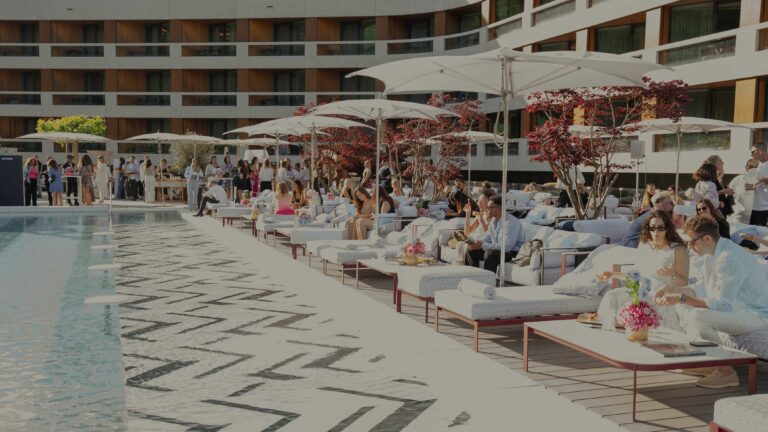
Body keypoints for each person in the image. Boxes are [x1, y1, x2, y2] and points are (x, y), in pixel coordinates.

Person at [656, 215, 768, 388]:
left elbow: (722, 305)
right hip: (738, 312)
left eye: (691, 243)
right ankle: (707, 363)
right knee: (687, 309)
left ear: (707, 238)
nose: (690, 248)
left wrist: (682, 298)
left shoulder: (729, 258)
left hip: (755, 316)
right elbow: (701, 288)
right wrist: (672, 289)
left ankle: (726, 372)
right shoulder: (712, 253)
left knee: (698, 316)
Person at [597, 210, 690, 329]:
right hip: (641, 292)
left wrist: (672, 274)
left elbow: (684, 282)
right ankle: (609, 330)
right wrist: (612, 274)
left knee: (654, 306)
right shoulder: (644, 245)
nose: (656, 232)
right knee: (612, 296)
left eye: (660, 228)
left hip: (662, 294)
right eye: (652, 228)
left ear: (667, 228)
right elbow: (637, 275)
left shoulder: (677, 250)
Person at [464, 195, 524, 274]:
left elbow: (505, 248)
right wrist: (476, 243)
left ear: (498, 209)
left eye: (489, 207)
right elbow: (487, 238)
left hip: (512, 253)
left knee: (490, 254)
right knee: (471, 250)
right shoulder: (494, 220)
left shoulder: (511, 223)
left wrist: (482, 245)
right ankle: (473, 276)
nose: (486, 210)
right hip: (497, 249)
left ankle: (489, 280)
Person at [728, 158, 759, 224]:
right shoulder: (763, 180)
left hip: (740, 216)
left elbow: (728, 195)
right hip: (758, 216)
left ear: (747, 167)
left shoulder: (737, 179)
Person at [747, 142, 768, 226]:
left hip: (765, 208)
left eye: (752, 152)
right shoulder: (755, 164)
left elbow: (760, 180)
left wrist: (762, 179)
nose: (751, 155)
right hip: (754, 208)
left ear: (760, 151)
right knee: (751, 232)